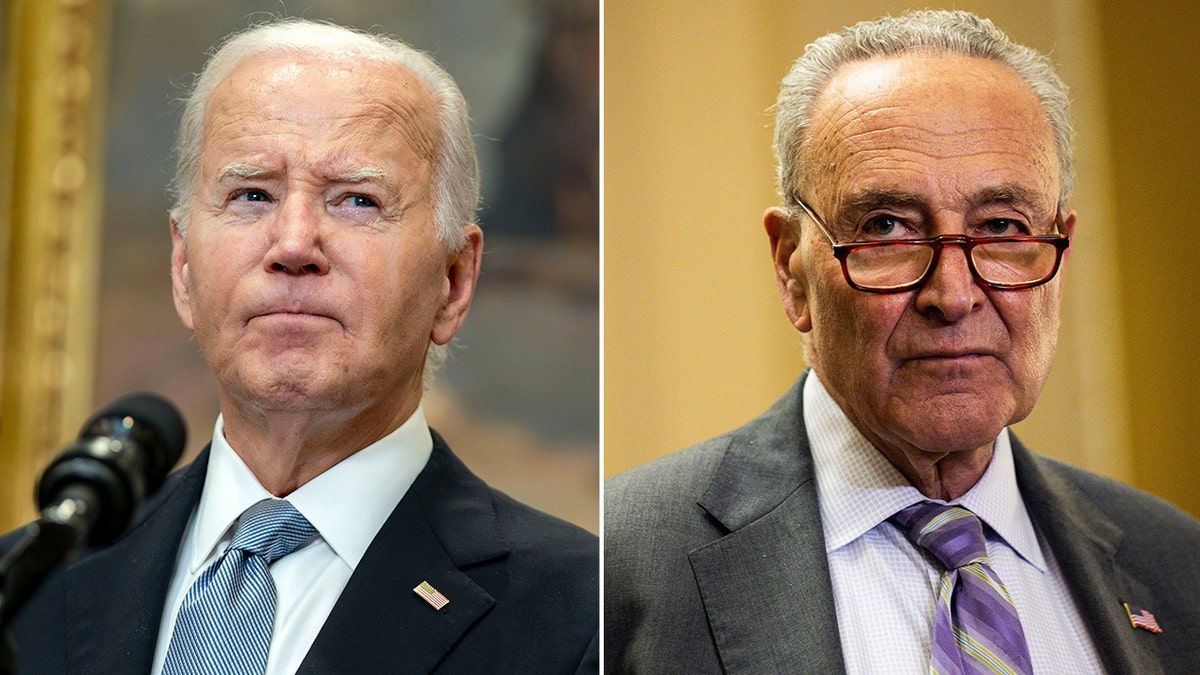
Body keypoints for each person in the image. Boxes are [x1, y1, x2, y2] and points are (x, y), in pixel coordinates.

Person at [605, 10, 1200, 674]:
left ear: (1060, 246)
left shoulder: (1178, 566)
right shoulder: (617, 567)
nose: (953, 294)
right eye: (887, 227)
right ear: (791, 265)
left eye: (1002, 225)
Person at [2, 18, 597, 674]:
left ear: (453, 282)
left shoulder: (584, 615)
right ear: (183, 269)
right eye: (251, 194)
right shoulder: (30, 590)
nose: (292, 245)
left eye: (356, 201)